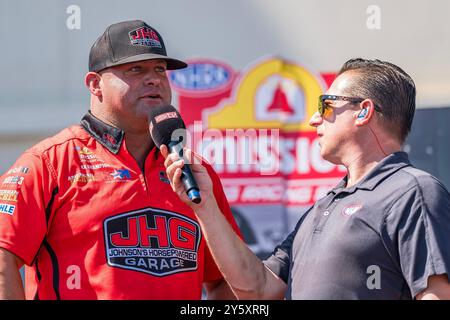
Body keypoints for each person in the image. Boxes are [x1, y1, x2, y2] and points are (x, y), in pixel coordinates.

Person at [162, 58, 450, 299]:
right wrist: (205, 207)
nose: (314, 118)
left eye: (326, 104)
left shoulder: (413, 191)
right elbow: (257, 289)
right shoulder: (325, 205)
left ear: (364, 111)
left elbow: (436, 294)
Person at [0, 20, 240, 300]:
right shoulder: (49, 163)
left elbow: (228, 279)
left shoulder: (194, 171)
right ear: (95, 84)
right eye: (135, 69)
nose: (154, 79)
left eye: (160, 69)